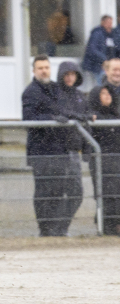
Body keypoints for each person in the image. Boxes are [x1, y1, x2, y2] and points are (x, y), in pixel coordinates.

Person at [22, 55, 73, 236]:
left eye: (46, 67)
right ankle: (45, 228)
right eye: (40, 68)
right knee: (44, 190)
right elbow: (29, 119)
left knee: (59, 189)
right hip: (41, 150)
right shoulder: (30, 92)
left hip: (59, 148)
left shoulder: (57, 89)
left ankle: (57, 228)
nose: (44, 70)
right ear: (34, 71)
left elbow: (64, 110)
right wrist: (51, 119)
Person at [56, 61, 92, 233]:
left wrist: (87, 149)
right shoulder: (56, 93)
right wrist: (77, 117)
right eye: (67, 74)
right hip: (59, 150)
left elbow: (85, 123)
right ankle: (54, 229)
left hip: (74, 152)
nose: (70, 78)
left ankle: (62, 228)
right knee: (58, 192)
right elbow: (61, 113)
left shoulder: (80, 96)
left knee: (76, 193)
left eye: (73, 74)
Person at [88, 85, 120, 235]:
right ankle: (106, 227)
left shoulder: (116, 116)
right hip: (102, 163)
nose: (107, 96)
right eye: (102, 93)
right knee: (107, 196)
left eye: (109, 93)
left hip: (116, 161)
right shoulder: (92, 117)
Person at [83, 15, 116, 84]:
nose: (110, 25)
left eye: (111, 23)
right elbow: (92, 49)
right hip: (97, 65)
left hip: (107, 65)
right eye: (108, 23)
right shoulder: (97, 33)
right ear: (102, 22)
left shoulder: (110, 35)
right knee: (102, 84)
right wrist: (104, 59)